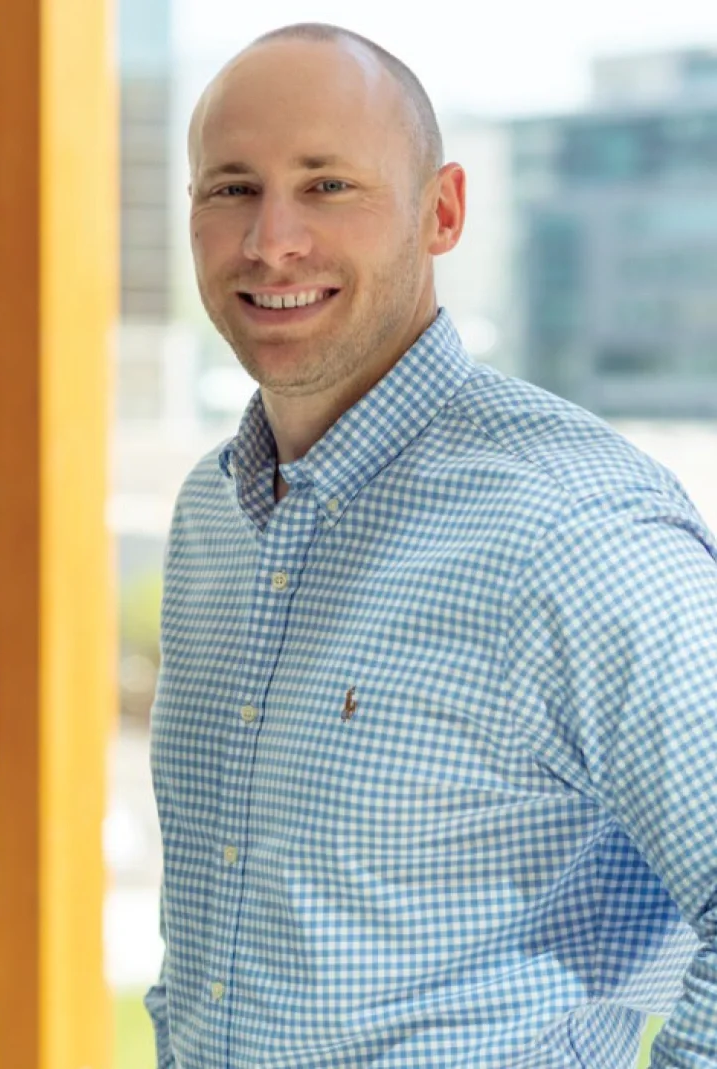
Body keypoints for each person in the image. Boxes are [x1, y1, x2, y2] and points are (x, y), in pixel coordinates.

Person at [144, 22, 717, 1069]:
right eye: (231, 188)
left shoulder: (577, 535)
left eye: (327, 186)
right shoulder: (210, 516)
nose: (272, 241)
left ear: (442, 211)